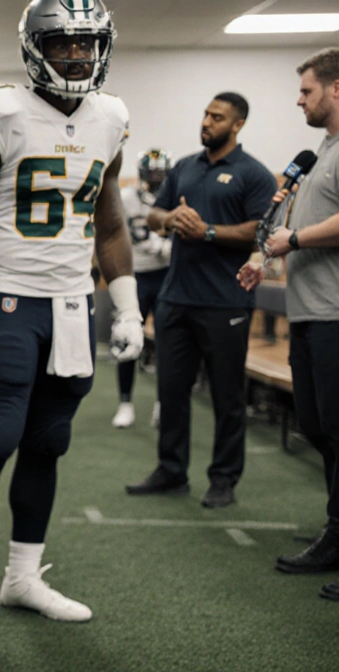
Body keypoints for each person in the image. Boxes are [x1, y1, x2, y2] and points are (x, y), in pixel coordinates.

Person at [0, 0, 143, 649]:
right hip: (6, 297)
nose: (77, 56)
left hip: (72, 303)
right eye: (62, 45)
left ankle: (22, 578)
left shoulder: (111, 116)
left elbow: (109, 223)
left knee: (48, 443)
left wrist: (130, 304)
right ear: (34, 48)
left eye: (87, 44)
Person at [124, 92, 277, 507]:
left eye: (217, 117)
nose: (206, 122)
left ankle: (224, 479)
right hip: (176, 299)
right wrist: (170, 219)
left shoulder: (254, 175)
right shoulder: (184, 168)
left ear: (238, 124)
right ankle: (171, 470)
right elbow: (154, 215)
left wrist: (207, 231)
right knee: (171, 391)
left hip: (226, 302)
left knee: (227, 397)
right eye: (206, 114)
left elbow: (259, 232)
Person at [238, 47, 339, 598]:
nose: (298, 100)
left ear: (336, 88)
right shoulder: (321, 152)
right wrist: (266, 259)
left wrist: (294, 238)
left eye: (306, 91)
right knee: (321, 430)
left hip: (335, 315)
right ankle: (336, 532)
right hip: (309, 311)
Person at [112, 149, 173, 429]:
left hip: (166, 276)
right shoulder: (128, 198)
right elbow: (130, 234)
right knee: (127, 339)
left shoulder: (174, 197)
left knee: (167, 342)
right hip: (136, 275)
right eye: (153, 173)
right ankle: (125, 402)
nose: (157, 178)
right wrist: (160, 247)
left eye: (161, 173)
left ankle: (163, 403)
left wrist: (164, 249)